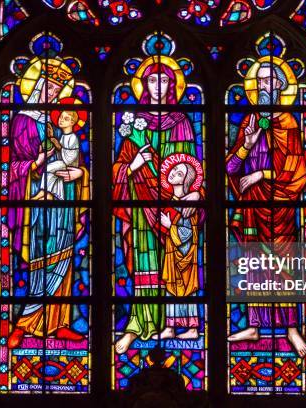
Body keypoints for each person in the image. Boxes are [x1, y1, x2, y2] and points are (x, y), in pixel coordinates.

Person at [113, 61, 201, 354]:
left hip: (175, 205)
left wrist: (191, 194)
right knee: (145, 265)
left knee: (179, 263)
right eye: (152, 81)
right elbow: (118, 169)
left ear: (173, 85)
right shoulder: (133, 122)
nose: (158, 87)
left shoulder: (182, 121)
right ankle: (139, 325)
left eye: (164, 81)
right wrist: (134, 165)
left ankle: (179, 323)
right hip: (141, 202)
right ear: (145, 86)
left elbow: (192, 166)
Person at [225, 62, 306, 357]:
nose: (263, 87)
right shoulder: (250, 121)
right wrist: (247, 144)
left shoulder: (288, 122)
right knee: (255, 265)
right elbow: (231, 167)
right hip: (252, 206)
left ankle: (291, 328)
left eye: (268, 81)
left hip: (281, 206)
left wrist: (262, 175)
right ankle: (254, 325)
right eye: (259, 82)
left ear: (280, 86)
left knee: (284, 265)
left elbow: (298, 170)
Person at [7, 66, 88, 348]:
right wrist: (36, 163)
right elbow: (13, 166)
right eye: (48, 88)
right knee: (40, 258)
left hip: (63, 198)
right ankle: (26, 321)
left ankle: (59, 322)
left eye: (55, 90)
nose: (51, 94)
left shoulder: (56, 126)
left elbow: (73, 160)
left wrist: (81, 175)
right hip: (36, 200)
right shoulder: (22, 121)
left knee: (63, 258)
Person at [159, 160, 204, 340]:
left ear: (186, 181)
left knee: (188, 289)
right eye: (174, 169)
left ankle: (193, 329)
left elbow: (188, 232)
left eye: (179, 173)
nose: (174, 173)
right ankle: (170, 327)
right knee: (170, 288)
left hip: (185, 254)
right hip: (171, 253)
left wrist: (170, 226)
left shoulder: (189, 203)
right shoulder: (171, 201)